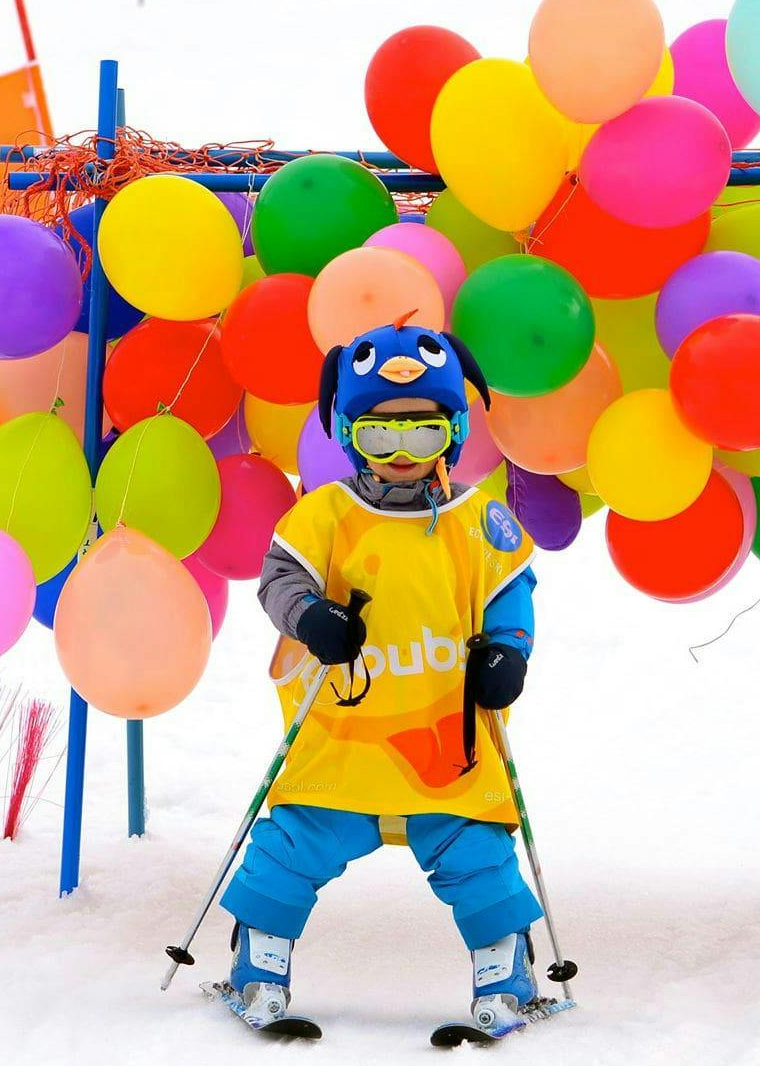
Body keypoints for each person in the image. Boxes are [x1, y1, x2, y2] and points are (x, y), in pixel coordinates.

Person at [217, 319, 548, 1036]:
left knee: (479, 860)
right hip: (343, 742)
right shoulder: (325, 515)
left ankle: (505, 969)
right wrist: (309, 618)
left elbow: (511, 588)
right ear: (347, 433)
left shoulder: (477, 518)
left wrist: (507, 651)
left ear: (453, 432)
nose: (402, 453)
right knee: (289, 848)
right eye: (379, 434)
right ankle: (258, 961)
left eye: (423, 434)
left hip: (447, 749)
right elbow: (278, 580)